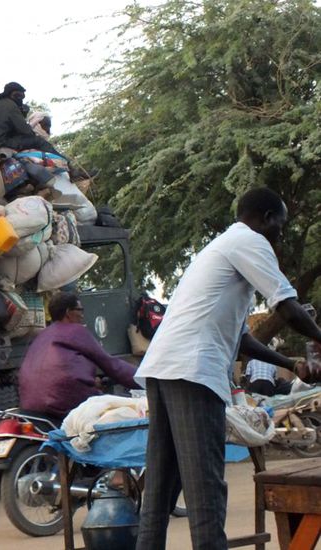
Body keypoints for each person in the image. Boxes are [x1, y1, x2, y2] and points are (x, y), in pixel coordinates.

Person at [135, 187, 321, 550]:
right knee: (205, 487)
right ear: (266, 218)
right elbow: (286, 305)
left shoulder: (221, 248)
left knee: (160, 489)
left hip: (164, 368)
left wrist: (291, 364)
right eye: (279, 227)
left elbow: (243, 340)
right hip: (192, 371)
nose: (279, 235)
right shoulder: (250, 241)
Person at [18, 292, 140, 419]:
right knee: (124, 415)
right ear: (68, 312)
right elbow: (113, 366)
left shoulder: (42, 335)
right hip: (63, 406)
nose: (82, 315)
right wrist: (145, 378)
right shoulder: (76, 331)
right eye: (80, 310)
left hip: (30, 408)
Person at [0, 82, 63, 156]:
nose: (20, 100)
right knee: (38, 141)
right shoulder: (11, 105)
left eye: (22, 97)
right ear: (8, 94)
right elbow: (26, 131)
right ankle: (66, 162)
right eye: (17, 96)